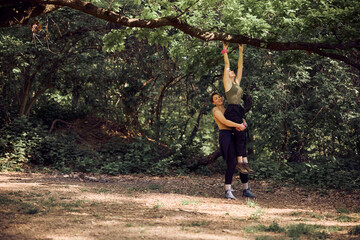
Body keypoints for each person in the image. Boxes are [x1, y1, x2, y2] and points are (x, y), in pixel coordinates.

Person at [211, 93, 256, 199]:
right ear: (213, 102)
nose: (219, 99)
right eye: (216, 98)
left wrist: (244, 124)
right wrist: (238, 125)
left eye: (220, 97)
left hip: (235, 134)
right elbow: (225, 122)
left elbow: (239, 119)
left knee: (242, 162)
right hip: (226, 136)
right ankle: (228, 190)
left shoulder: (228, 109)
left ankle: (246, 189)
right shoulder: (216, 110)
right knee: (232, 162)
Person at [221, 42, 254, 175]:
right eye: (230, 72)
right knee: (240, 132)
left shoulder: (237, 83)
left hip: (239, 110)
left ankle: (244, 160)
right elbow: (227, 65)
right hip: (232, 110)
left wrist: (241, 50)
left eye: (233, 72)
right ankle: (240, 162)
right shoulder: (227, 83)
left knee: (243, 135)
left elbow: (240, 67)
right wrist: (225, 49)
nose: (232, 72)